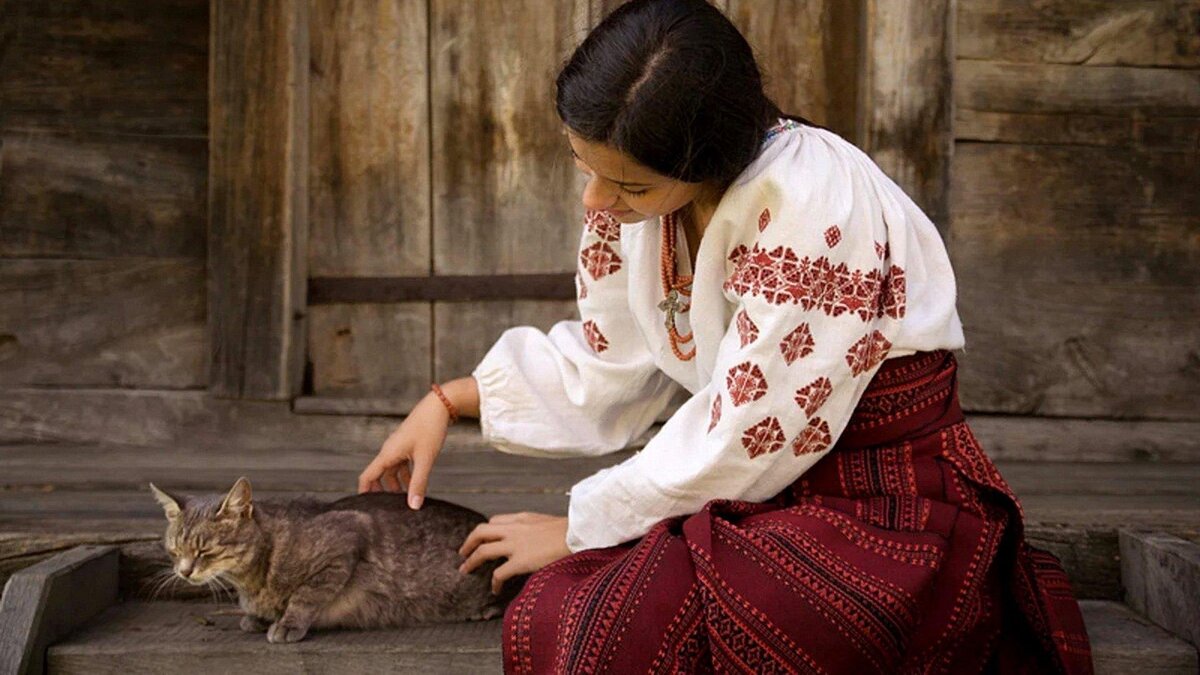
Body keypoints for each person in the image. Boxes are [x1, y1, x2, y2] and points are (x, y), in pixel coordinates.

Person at [358, 0, 1094, 671]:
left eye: (630, 186)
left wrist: (579, 525)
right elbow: (620, 358)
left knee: (595, 624)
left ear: (708, 160)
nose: (597, 200)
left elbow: (752, 429)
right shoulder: (647, 205)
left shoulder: (813, 202)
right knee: (563, 606)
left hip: (879, 499)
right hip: (753, 487)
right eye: (583, 165)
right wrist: (450, 400)